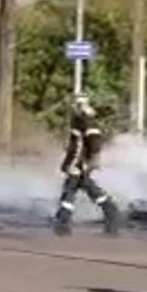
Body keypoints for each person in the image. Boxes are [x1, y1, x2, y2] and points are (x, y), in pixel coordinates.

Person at [54, 95, 120, 236]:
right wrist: (66, 164)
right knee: (87, 190)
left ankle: (63, 219)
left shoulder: (87, 122)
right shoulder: (79, 122)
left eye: (76, 105)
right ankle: (111, 211)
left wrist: (91, 163)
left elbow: (93, 145)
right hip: (76, 165)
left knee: (72, 190)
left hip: (79, 166)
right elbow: (74, 147)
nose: (73, 108)